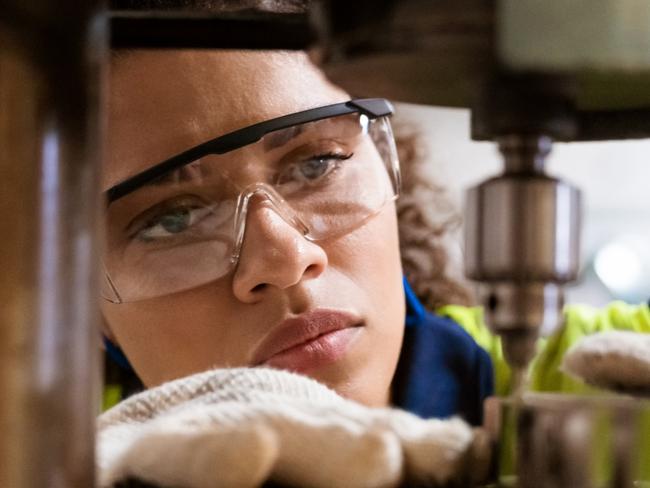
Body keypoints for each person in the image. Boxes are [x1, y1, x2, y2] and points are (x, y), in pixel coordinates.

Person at [99, 1, 650, 486]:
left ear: (388, 169)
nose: (287, 260)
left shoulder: (599, 381)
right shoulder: (42, 455)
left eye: (317, 164)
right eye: (171, 220)